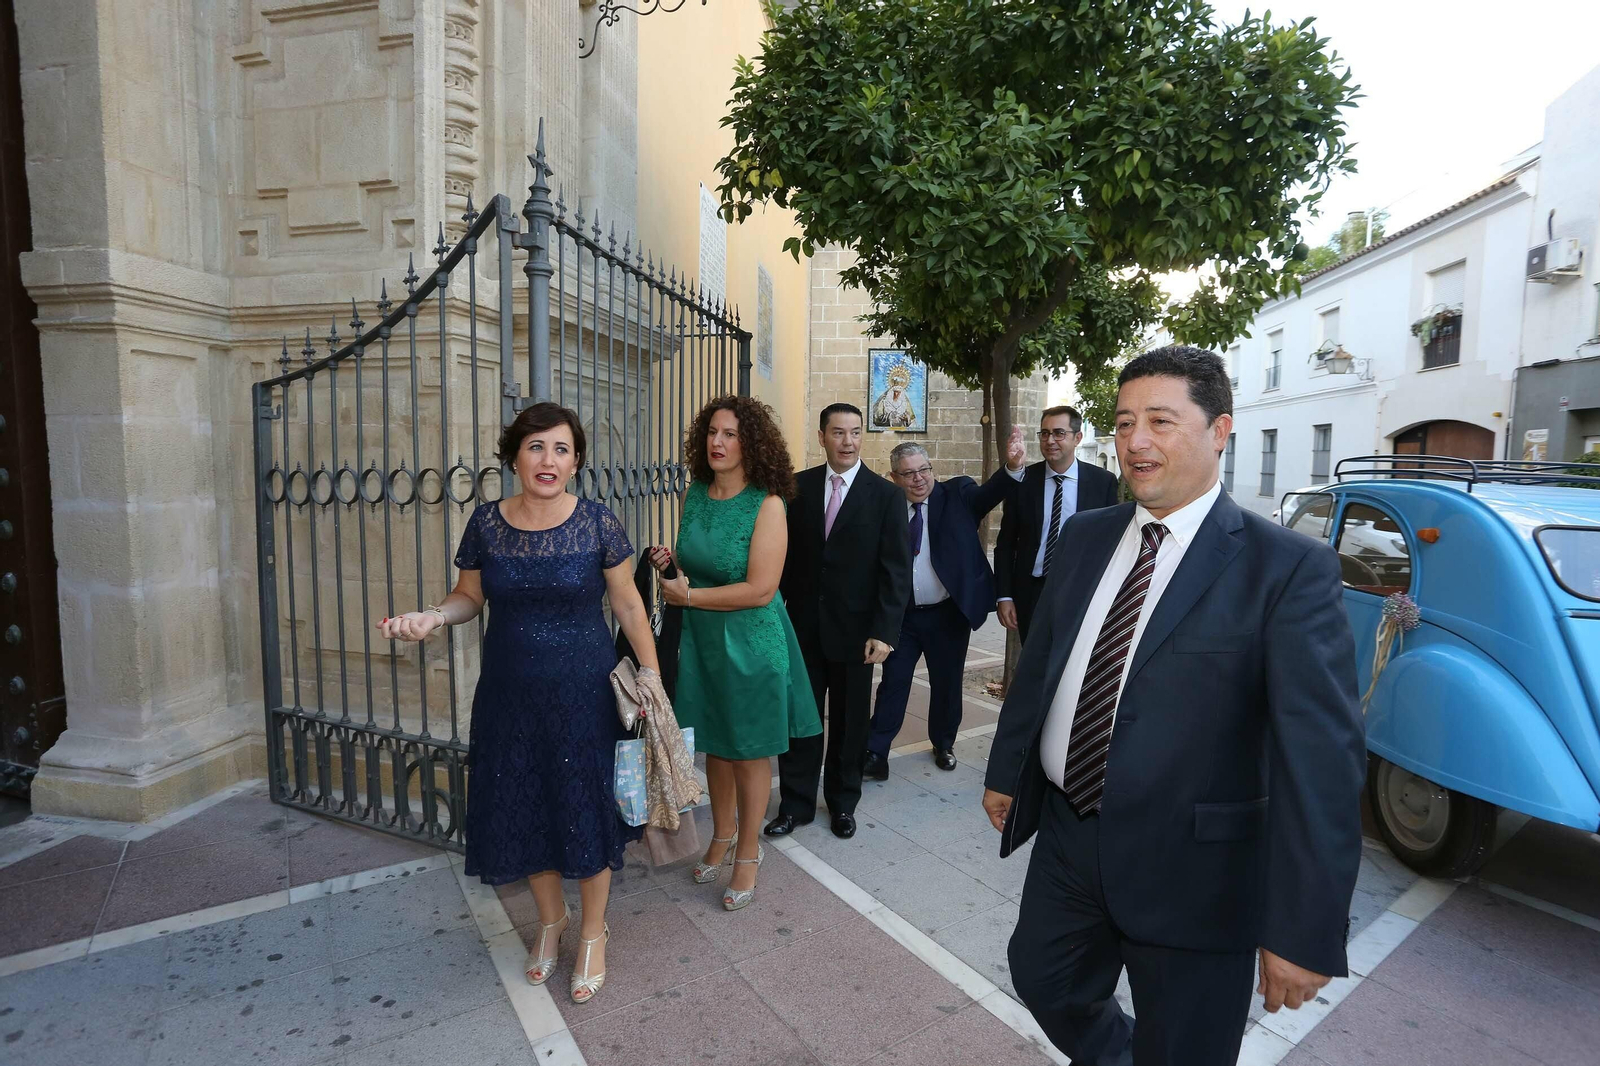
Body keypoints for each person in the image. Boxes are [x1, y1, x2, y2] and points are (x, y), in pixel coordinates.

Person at [980, 347, 1366, 1066]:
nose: (1136, 441)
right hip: (1071, 836)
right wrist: (1008, 770)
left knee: (1187, 1047)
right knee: (1044, 977)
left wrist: (1304, 929)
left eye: (1161, 420)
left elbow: (1322, 762)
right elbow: (1043, 668)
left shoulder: (1285, 570)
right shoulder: (1088, 536)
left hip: (1197, 869)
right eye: (1125, 422)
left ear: (1220, 430)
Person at [379, 402, 657, 1007]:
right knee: (527, 803)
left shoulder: (598, 523)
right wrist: (432, 617)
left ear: (577, 459)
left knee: (583, 805)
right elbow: (467, 597)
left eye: (560, 449)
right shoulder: (486, 523)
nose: (547, 460)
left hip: (584, 694)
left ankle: (592, 931)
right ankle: (551, 923)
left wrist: (652, 677)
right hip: (509, 694)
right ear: (514, 456)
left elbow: (630, 606)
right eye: (535, 448)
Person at [646, 396, 820, 911]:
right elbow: (698, 564)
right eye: (713, 433)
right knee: (716, 745)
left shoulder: (768, 503)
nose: (718, 443)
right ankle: (721, 835)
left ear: (752, 444)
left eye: (731, 435)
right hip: (702, 640)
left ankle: (748, 851)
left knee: (748, 752)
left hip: (751, 643)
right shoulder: (695, 494)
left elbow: (762, 589)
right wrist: (670, 565)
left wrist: (690, 596)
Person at [765, 403, 913, 840]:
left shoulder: (885, 495)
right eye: (838, 433)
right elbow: (782, 558)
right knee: (802, 721)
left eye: (855, 432)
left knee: (850, 725)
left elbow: (896, 570)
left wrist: (885, 632)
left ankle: (844, 803)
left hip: (857, 635)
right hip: (802, 629)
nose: (847, 441)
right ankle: (795, 805)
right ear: (821, 436)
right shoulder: (796, 488)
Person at [864, 431, 1026, 778]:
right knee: (894, 682)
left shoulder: (958, 494)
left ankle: (943, 743)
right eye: (908, 473)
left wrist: (1011, 467)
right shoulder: (888, 506)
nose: (919, 478)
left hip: (946, 615)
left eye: (924, 469)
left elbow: (990, 494)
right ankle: (875, 752)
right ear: (894, 477)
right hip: (903, 617)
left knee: (947, 684)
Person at [995, 406, 1121, 643]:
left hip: (1082, 592)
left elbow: (1111, 543)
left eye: (1059, 433)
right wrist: (1004, 596)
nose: (1050, 440)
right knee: (1035, 667)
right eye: (1044, 433)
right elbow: (1006, 543)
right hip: (1033, 592)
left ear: (1078, 438)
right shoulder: (1023, 481)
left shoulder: (1101, 482)